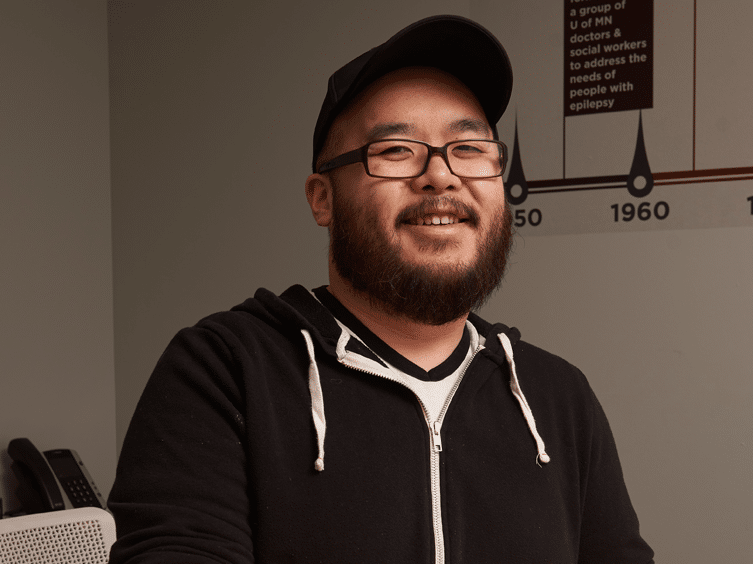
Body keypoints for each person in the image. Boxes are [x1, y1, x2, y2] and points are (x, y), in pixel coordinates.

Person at [108, 14, 654, 564]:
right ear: (322, 199)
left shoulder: (557, 397)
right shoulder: (224, 371)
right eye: (396, 150)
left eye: (469, 150)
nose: (441, 176)